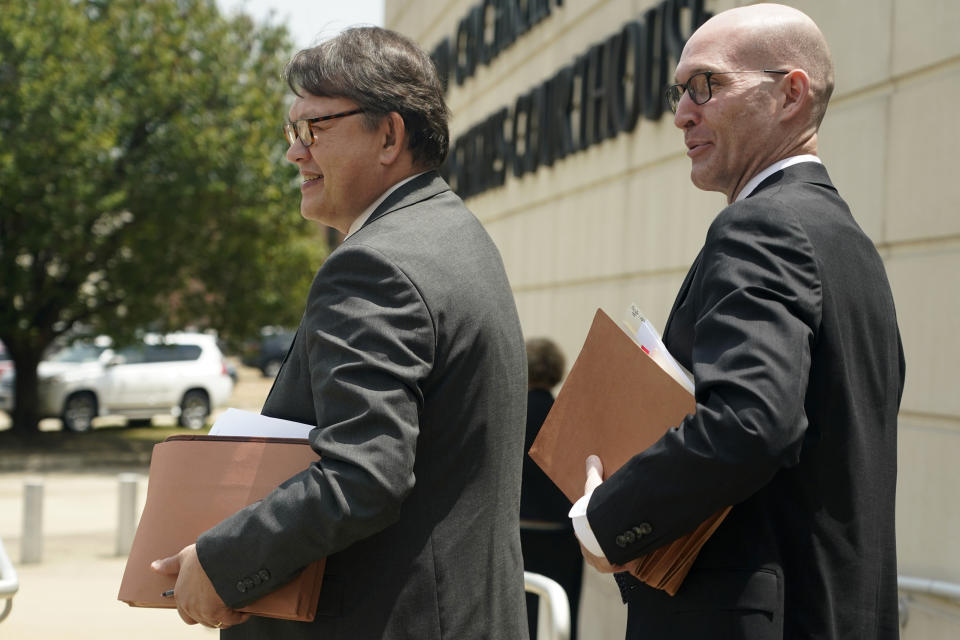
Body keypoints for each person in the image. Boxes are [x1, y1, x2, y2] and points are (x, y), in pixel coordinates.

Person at [152, 27, 529, 639]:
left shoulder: (375, 262)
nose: (295, 153)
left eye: (314, 129)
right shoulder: (454, 234)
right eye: (292, 131)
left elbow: (365, 474)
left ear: (389, 135)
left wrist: (222, 563)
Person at [570, 4, 905, 638]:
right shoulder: (850, 244)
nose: (681, 114)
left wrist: (604, 521)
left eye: (707, 85)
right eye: (679, 92)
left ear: (790, 94)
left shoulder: (761, 224)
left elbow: (750, 423)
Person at [520, 338, 582, 640]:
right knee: (566, 609)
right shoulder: (567, 415)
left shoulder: (515, 415)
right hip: (561, 532)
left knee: (521, 616)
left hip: (520, 530)